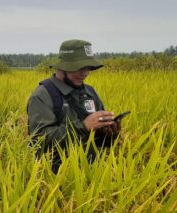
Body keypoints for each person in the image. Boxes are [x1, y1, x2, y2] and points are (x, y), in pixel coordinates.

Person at [27, 39, 120, 173]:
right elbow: (40, 141)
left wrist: (109, 134)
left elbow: (96, 142)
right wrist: (83, 127)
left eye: (88, 67)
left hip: (91, 176)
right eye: (80, 67)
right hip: (57, 180)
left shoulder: (90, 92)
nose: (85, 72)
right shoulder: (42, 95)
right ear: (63, 67)